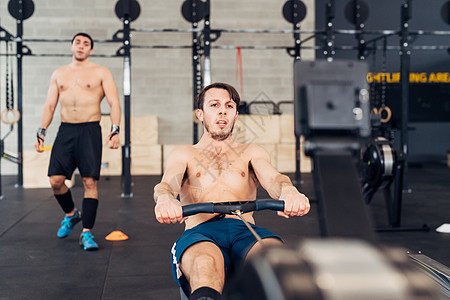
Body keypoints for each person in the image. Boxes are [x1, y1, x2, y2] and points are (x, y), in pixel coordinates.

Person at [154, 82, 310, 300]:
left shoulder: (251, 152)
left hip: (244, 231)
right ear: (200, 114)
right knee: (205, 265)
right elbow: (166, 185)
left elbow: (274, 178)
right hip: (201, 232)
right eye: (214, 105)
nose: (222, 111)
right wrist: (165, 199)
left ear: (236, 114)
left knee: (278, 265)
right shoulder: (184, 154)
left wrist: (289, 192)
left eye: (229, 106)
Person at [35, 32, 121, 251]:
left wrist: (115, 131)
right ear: (71, 46)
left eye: (86, 44)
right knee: (55, 180)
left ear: (91, 50)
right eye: (78, 43)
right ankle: (71, 215)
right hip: (66, 130)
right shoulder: (59, 73)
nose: (81, 46)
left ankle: (87, 233)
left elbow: (114, 102)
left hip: (90, 130)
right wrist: (41, 131)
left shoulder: (101, 72)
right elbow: (50, 106)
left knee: (89, 182)